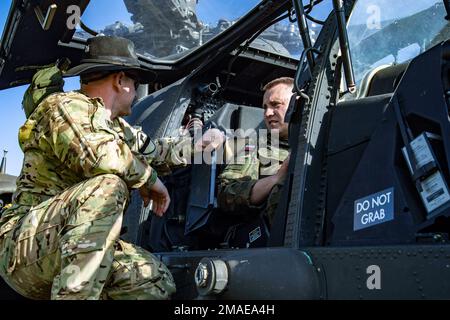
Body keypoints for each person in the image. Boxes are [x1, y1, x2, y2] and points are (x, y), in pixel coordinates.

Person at [0, 36, 191, 300]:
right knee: (108, 187)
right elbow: (102, 157)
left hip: (68, 246)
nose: (136, 93)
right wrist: (150, 179)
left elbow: (156, 152)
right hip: (22, 248)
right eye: (135, 84)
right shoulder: (64, 106)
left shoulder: (117, 128)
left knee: (153, 280)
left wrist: (202, 144)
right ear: (120, 80)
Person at [217, 77, 293, 226]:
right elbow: (227, 193)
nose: (267, 113)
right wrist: (276, 179)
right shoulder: (256, 147)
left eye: (275, 105)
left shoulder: (319, 141)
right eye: (265, 107)